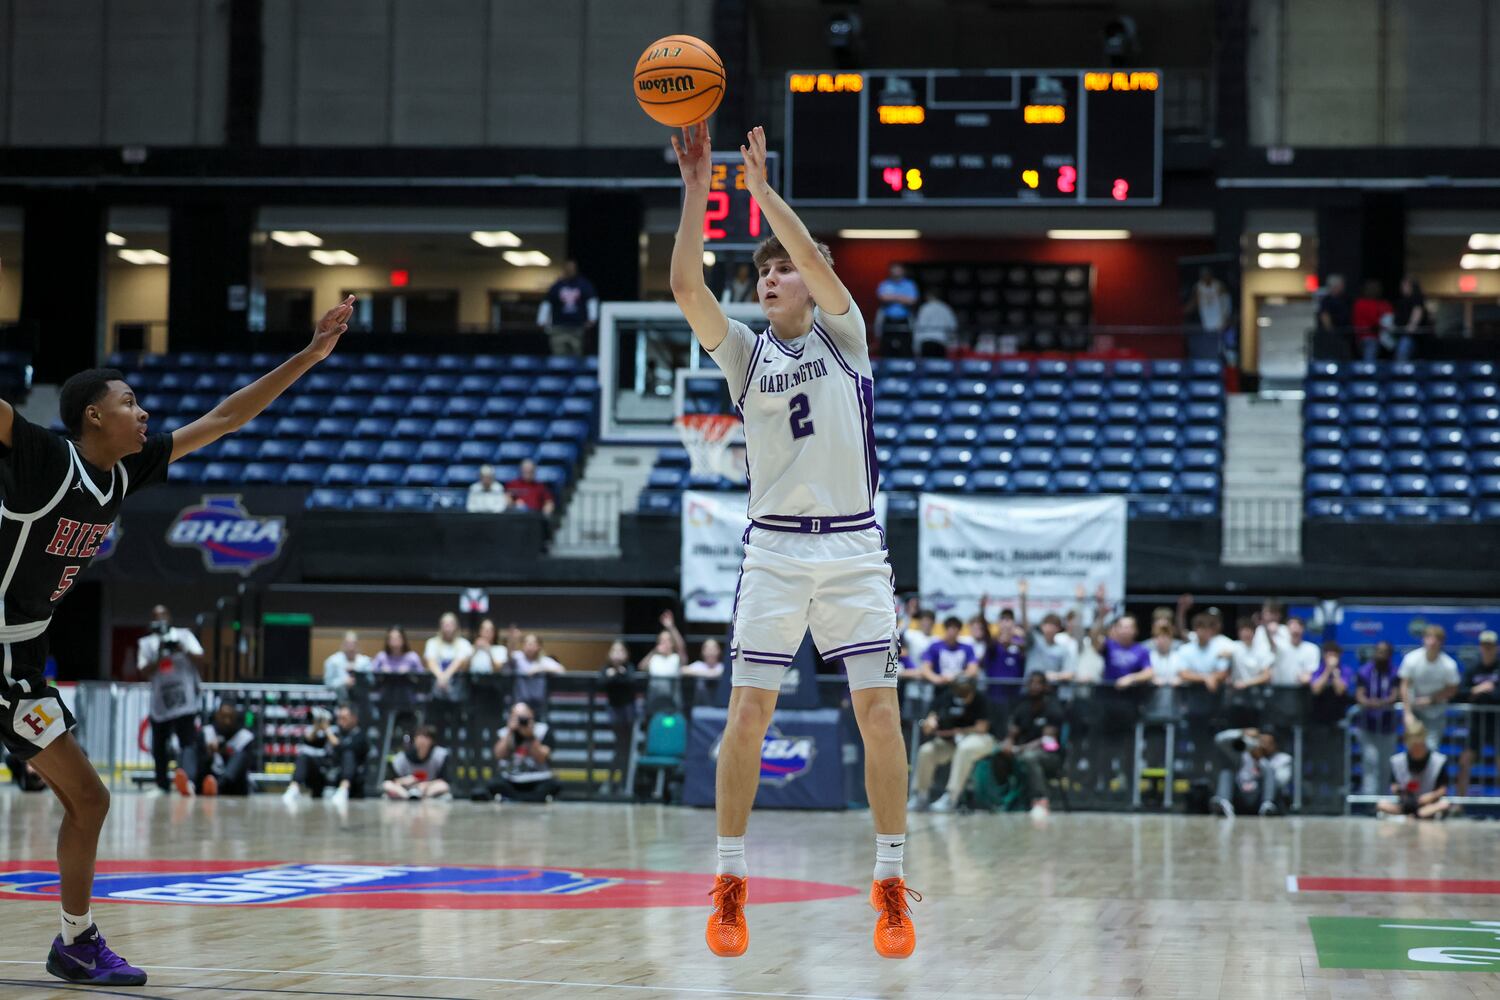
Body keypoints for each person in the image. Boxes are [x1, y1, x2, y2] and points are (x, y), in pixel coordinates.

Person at [0, 292, 352, 987]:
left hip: (22, 655)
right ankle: (75, 941)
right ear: (93, 414)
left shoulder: (125, 472)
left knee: (90, 801)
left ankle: (75, 941)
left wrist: (309, 355)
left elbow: (226, 416)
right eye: (131, 401)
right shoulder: (45, 458)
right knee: (91, 799)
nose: (146, 412)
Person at [671, 122, 916, 959]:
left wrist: (763, 195)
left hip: (853, 549)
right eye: (763, 272)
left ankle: (889, 884)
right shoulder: (745, 356)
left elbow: (813, 255)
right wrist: (701, 186)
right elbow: (686, 290)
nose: (772, 278)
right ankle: (730, 883)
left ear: (810, 284)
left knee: (878, 715)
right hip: (773, 550)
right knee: (747, 712)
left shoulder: (845, 337)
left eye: (782, 269)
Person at [136, 604, 206, 794]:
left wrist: (183, 649)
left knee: (187, 743)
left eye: (163, 616)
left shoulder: (183, 636)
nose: (160, 620)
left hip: (185, 701)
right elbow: (143, 670)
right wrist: (159, 655)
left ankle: (188, 781)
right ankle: (161, 784)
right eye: (155, 617)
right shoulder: (146, 643)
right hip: (161, 703)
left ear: (170, 617)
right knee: (160, 746)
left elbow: (202, 659)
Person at [908, 675, 993, 814]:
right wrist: (929, 723)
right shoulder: (945, 698)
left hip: (980, 739)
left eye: (965, 691)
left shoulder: (981, 699)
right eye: (959, 690)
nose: (962, 694)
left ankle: (951, 797)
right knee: (926, 751)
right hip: (950, 742)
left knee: (964, 748)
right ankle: (920, 795)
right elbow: (929, 722)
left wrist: (955, 732)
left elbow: (982, 728)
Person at [992, 672, 1066, 818]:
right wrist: (1008, 744)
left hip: (1050, 756)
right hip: (1022, 751)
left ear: (1046, 687)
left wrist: (1020, 749)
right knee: (998, 754)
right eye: (1031, 683)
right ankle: (1002, 797)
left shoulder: (1053, 707)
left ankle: (1040, 800)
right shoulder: (1023, 707)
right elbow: (1013, 732)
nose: (1034, 686)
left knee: (1030, 757)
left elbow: (1046, 739)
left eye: (1038, 683)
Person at [284, 703, 369, 804]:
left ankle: (343, 790)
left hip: (347, 777)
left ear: (354, 718)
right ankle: (294, 788)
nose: (340, 721)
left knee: (348, 755)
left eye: (344, 718)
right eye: (339, 718)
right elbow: (310, 741)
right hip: (325, 773)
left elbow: (344, 748)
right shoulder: (335, 732)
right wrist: (317, 726)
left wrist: (328, 731)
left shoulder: (359, 735)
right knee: (304, 757)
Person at [484, 701, 562, 803]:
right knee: (494, 784)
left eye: (524, 718)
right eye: (518, 718)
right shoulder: (504, 732)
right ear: (511, 717)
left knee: (553, 785)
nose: (522, 721)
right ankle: (528, 799)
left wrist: (531, 736)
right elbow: (499, 755)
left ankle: (517, 799)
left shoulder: (543, 730)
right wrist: (510, 731)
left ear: (532, 715)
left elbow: (541, 758)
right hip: (511, 779)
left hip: (538, 778)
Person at [1399, 625, 1460, 749]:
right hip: (1414, 709)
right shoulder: (1411, 659)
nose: (1432, 642)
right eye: (1429, 637)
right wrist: (1407, 713)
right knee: (1412, 748)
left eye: (1436, 638)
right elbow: (1404, 685)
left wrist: (1431, 699)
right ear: (1423, 639)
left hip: (1436, 712)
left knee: (1431, 748)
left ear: (1441, 642)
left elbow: (1452, 689)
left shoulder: (1449, 665)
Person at [174, 702, 255, 797]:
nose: (227, 721)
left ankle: (216, 787)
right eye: (223, 717)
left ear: (235, 717)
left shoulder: (245, 737)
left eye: (230, 717)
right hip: (206, 780)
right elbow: (199, 760)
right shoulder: (206, 732)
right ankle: (189, 784)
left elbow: (249, 765)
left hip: (232, 785)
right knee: (190, 750)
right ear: (217, 716)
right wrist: (208, 751)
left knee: (240, 756)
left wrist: (225, 752)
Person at [1377, 723, 1453, 821]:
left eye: (1419, 744)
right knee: (1381, 804)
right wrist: (1401, 791)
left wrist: (1431, 796)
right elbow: (1394, 786)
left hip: (1428, 803)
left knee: (1444, 804)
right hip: (1405, 803)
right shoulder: (1397, 761)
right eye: (1413, 745)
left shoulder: (1439, 760)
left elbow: (1443, 789)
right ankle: (1413, 815)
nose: (1416, 748)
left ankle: (1412, 816)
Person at [1210, 727, 1291, 818]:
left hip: (1261, 799)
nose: (1263, 745)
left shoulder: (1283, 759)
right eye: (1260, 741)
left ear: (1275, 745)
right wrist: (1242, 732)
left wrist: (1261, 760)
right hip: (1241, 796)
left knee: (1270, 771)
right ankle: (1224, 804)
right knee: (1227, 771)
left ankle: (1267, 806)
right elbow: (1219, 740)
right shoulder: (1241, 756)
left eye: (1267, 742)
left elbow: (1280, 782)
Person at [1355, 641, 1401, 796]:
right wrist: (1369, 703)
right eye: (1378, 651)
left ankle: (1383, 800)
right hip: (1368, 725)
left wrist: (1381, 703)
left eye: (1384, 652)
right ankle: (1370, 800)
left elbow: (1395, 694)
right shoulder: (1364, 671)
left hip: (1388, 726)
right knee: (1370, 763)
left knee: (1386, 766)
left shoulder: (1394, 673)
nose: (1381, 655)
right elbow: (1360, 694)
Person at [1458, 630, 1499, 797]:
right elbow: (1461, 693)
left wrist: (1490, 692)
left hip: (1497, 721)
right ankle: (1458, 805)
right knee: (1465, 760)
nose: (1487, 649)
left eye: (1490, 646)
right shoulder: (1472, 667)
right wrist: (1479, 689)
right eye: (1484, 645)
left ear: (1496, 647)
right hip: (1476, 722)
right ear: (1480, 647)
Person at [536, 258, 598, 356]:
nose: (570, 270)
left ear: (576, 269)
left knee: (577, 355)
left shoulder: (584, 285)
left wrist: (592, 318)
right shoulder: (557, 286)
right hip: (559, 327)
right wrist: (541, 320)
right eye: (568, 268)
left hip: (577, 327)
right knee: (559, 356)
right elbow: (547, 303)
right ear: (564, 269)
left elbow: (592, 301)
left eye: (572, 268)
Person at [598, 640, 637, 795]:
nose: (617, 654)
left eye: (621, 651)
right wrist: (613, 675)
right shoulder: (606, 669)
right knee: (621, 748)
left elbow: (630, 681)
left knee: (626, 749)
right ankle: (612, 781)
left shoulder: (629, 668)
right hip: (615, 713)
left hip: (628, 713)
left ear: (626, 654)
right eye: (614, 650)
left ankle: (622, 783)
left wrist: (617, 675)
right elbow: (601, 682)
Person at [1019, 580, 1078, 680]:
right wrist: (1023, 596)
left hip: (1051, 693)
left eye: (1053, 625)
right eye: (1047, 624)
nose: (1049, 628)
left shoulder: (1063, 650)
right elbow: (1025, 623)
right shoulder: (1034, 641)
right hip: (1029, 692)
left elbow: (1070, 673)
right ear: (1042, 626)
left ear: (1058, 628)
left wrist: (1053, 676)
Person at [505, 627, 567, 713]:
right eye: (527, 643)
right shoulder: (518, 657)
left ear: (539, 646)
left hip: (539, 705)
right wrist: (512, 641)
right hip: (520, 704)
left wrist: (540, 669)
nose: (529, 646)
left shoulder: (544, 660)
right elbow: (509, 657)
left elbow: (562, 670)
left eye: (532, 644)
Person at [382, 725, 452, 800]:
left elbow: (444, 780)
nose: (422, 741)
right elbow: (393, 780)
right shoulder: (401, 758)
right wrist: (406, 780)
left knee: (443, 786)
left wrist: (426, 784)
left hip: (428, 789)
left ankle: (424, 797)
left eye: (426, 737)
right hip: (406, 790)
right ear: (414, 739)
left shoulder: (439, 755)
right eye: (419, 737)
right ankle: (408, 797)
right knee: (387, 784)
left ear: (432, 740)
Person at [1173, 613, 1234, 692]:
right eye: (1201, 628)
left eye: (1207, 628)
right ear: (1195, 629)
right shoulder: (1185, 649)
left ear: (1211, 630)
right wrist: (1206, 678)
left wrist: (1213, 677)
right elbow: (1183, 673)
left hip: (1215, 693)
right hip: (1191, 693)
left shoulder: (1221, 647)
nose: (1204, 632)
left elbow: (1223, 672)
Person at [640, 609, 686, 709]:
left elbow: (681, 647)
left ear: (672, 644)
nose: (664, 643)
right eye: (661, 640)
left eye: (667, 640)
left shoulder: (676, 658)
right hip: (654, 700)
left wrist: (671, 627)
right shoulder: (654, 658)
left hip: (673, 702)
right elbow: (641, 666)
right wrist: (654, 651)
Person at [424, 612, 473, 701]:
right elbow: (430, 662)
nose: (448, 628)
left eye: (450, 624)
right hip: (437, 688)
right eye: (445, 624)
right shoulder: (431, 643)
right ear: (440, 626)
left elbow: (460, 662)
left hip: (458, 691)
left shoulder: (464, 644)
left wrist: (445, 677)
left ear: (456, 626)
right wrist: (441, 677)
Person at [919, 616, 980, 687]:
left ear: (959, 630)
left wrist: (958, 677)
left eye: (955, 628)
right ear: (945, 629)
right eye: (949, 627)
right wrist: (937, 679)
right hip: (940, 687)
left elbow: (973, 669)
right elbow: (926, 668)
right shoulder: (935, 647)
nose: (952, 631)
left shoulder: (967, 648)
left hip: (960, 686)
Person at [874, 262, 919, 355]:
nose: (896, 272)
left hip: (904, 320)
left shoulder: (909, 284)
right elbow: (882, 297)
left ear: (903, 271)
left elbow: (912, 300)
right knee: (886, 348)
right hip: (888, 320)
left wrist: (892, 297)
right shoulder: (885, 284)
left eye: (898, 269)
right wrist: (902, 297)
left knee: (905, 347)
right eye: (894, 269)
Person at [1308, 640, 1354, 724]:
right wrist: (1328, 670)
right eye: (1329, 656)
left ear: (1339, 656)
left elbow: (1340, 691)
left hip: (1338, 716)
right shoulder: (1317, 670)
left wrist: (1335, 675)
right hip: (1318, 715)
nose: (1331, 659)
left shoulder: (1345, 670)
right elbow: (1316, 690)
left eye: (1334, 656)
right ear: (1324, 656)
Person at [1351, 279, 1393, 363]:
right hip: (1371, 337)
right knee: (1369, 364)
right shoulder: (1368, 303)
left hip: (1360, 338)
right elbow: (1374, 320)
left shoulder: (1359, 303)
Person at [911, 289, 958, 358]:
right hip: (941, 342)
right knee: (939, 367)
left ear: (929, 297)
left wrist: (916, 346)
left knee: (926, 367)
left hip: (927, 342)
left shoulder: (925, 308)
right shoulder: (946, 308)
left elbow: (919, 327)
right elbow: (953, 327)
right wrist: (952, 344)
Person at [1392, 277, 1427, 362]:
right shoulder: (1403, 300)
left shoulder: (1416, 298)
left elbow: (1417, 311)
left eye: (1404, 285)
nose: (1402, 287)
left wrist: (1412, 326)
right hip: (1400, 334)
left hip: (1409, 336)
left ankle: (1401, 373)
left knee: (1403, 353)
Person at [1316, 273, 1351, 346]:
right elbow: (1325, 316)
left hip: (1344, 333)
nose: (1343, 287)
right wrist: (1331, 332)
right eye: (1341, 285)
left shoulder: (1345, 299)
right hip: (1333, 336)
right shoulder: (1326, 300)